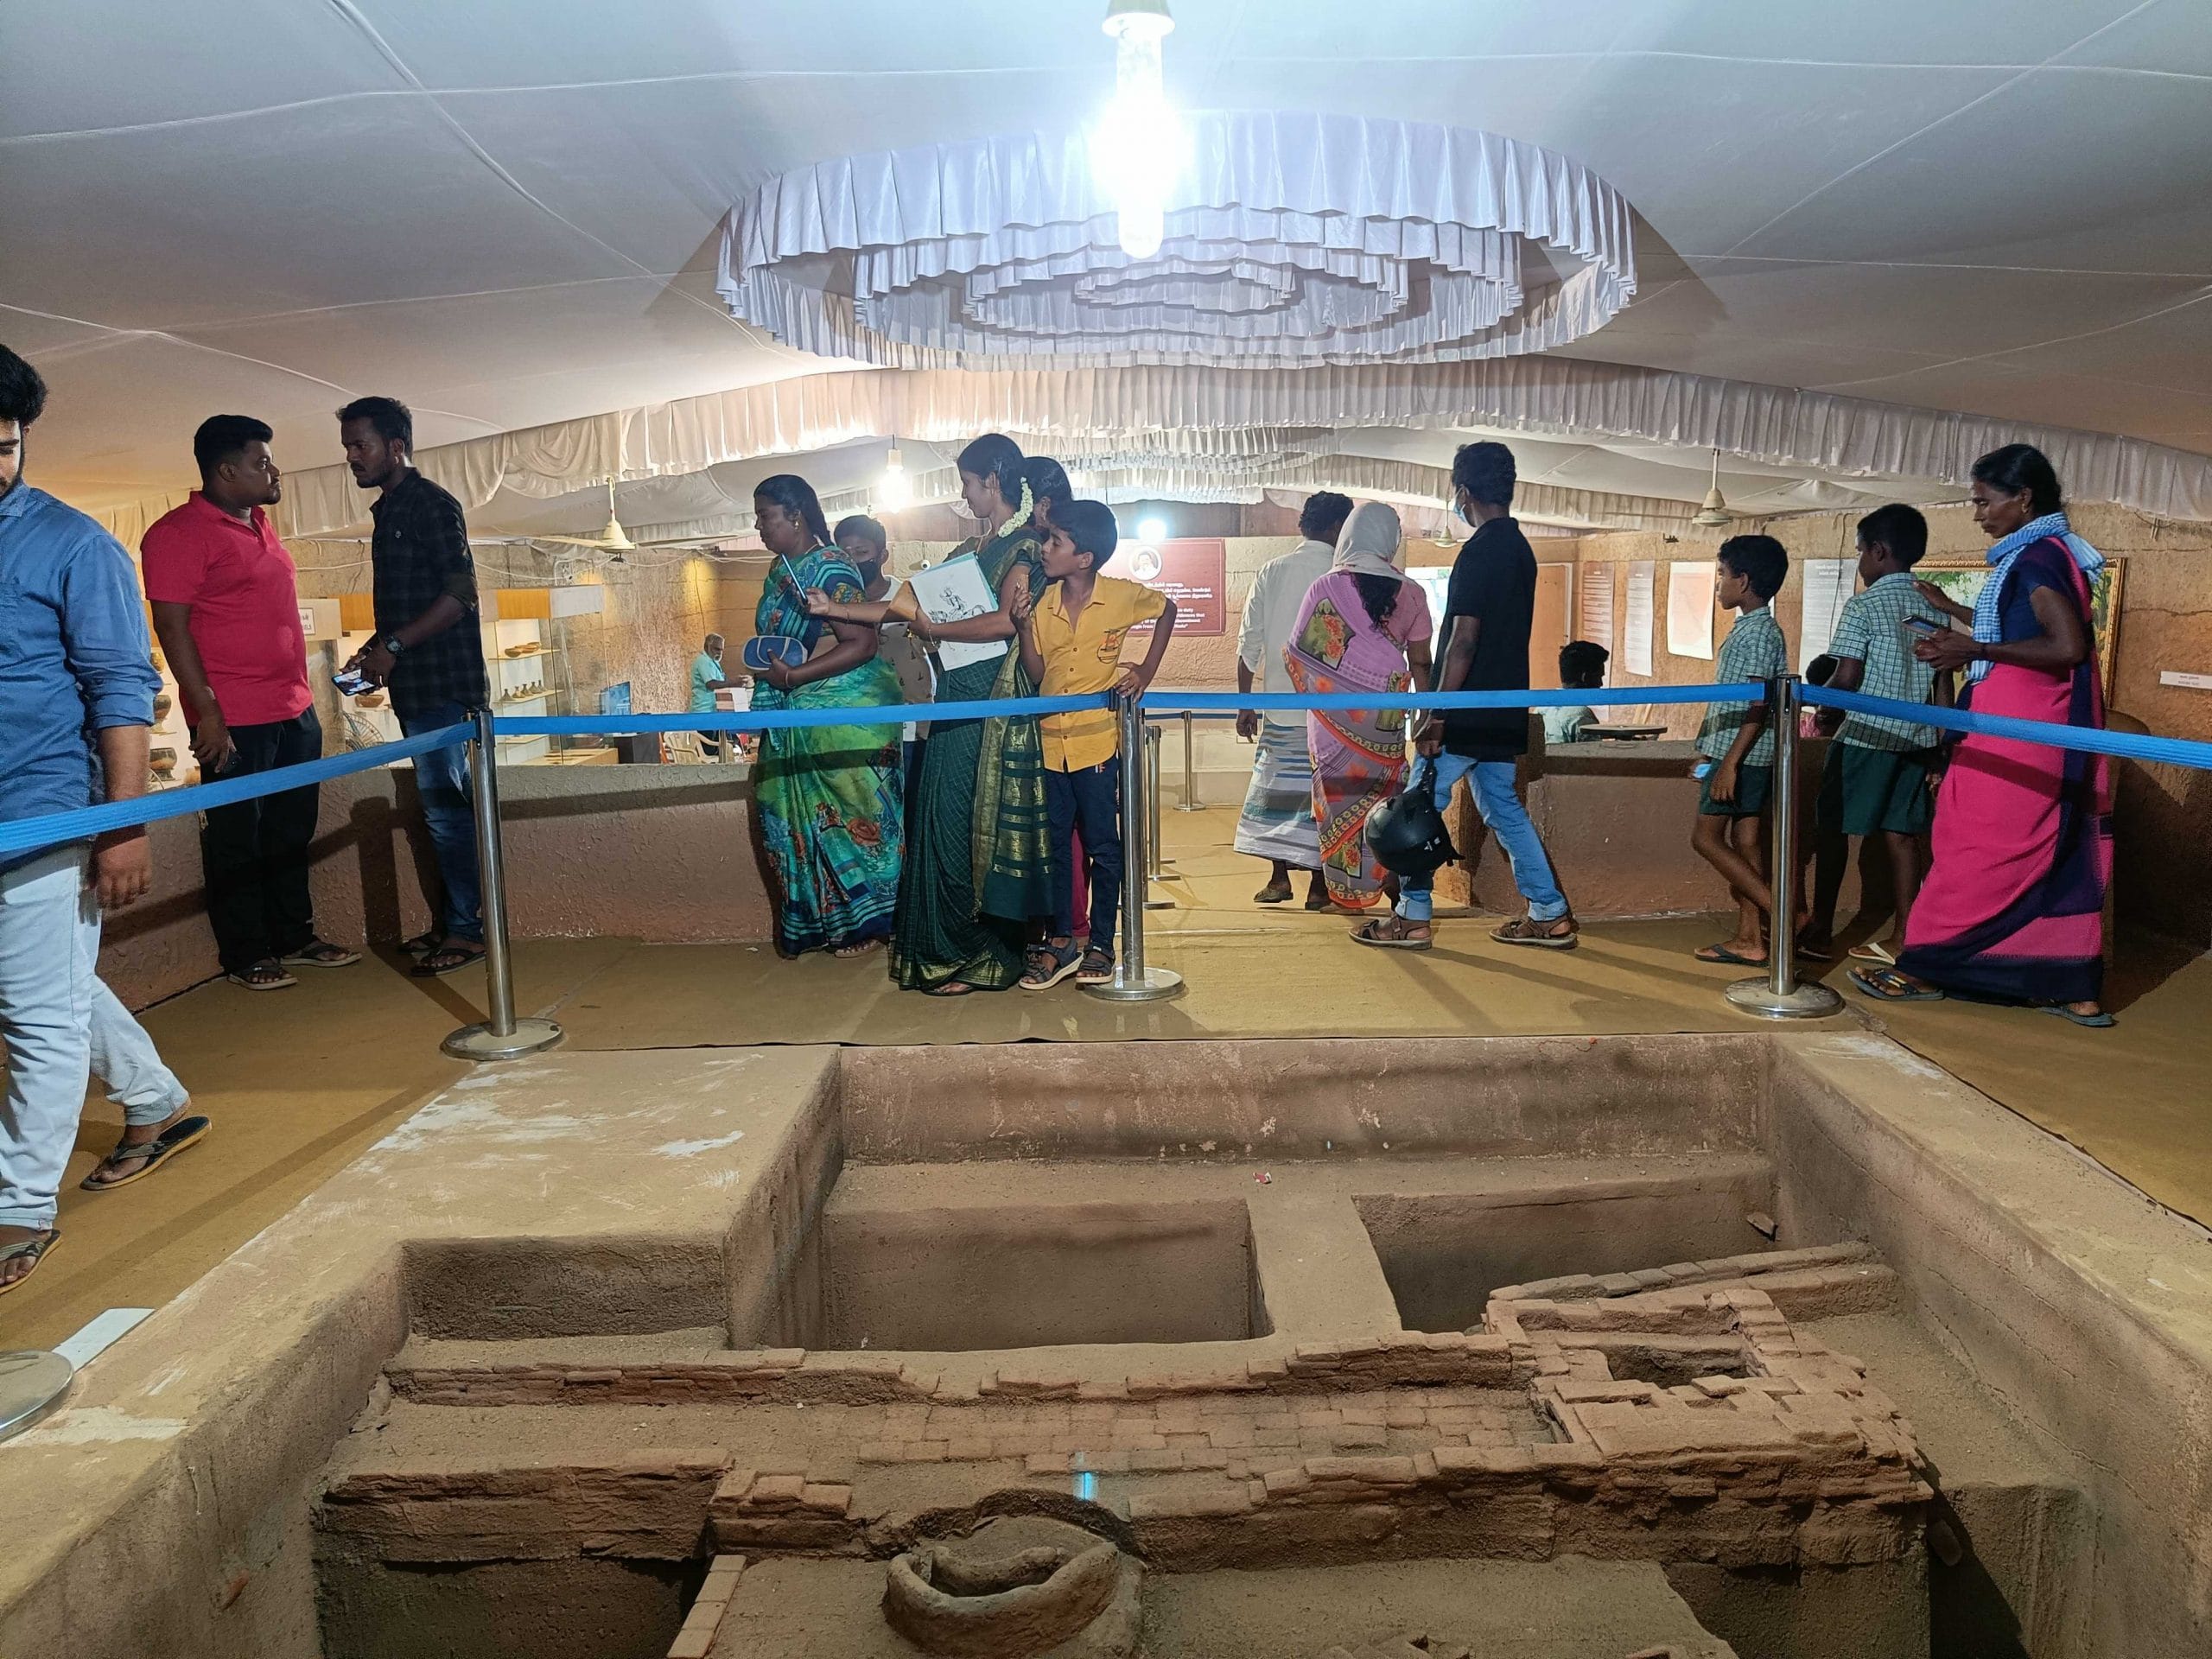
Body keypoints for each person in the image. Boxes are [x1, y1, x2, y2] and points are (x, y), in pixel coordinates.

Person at [0, 343, 207, 1295]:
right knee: (52, 988)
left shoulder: (73, 545)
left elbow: (121, 691)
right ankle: (156, 1100)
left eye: (4, 448)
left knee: (35, 1011)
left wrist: (123, 826)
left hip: (44, 811)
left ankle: (17, 1209)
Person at [1853, 445, 2114, 1027]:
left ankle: (1925, 965)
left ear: (2022, 499)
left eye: (1984, 501)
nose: (1978, 514)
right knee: (2044, 851)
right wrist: (1954, 614)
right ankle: (2074, 987)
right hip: (2028, 728)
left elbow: (2066, 646)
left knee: (1978, 849)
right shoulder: (2041, 553)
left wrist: (1974, 649)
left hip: (2018, 737)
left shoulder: (2038, 560)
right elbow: (2031, 630)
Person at [808, 435, 1053, 995]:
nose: (963, 494)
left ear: (992, 480)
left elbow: (1001, 623)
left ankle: (980, 956)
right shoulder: (972, 547)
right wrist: (836, 608)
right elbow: (905, 603)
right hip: (952, 694)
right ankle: (948, 947)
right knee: (940, 816)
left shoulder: (1025, 549)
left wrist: (937, 630)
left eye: (967, 482)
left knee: (970, 822)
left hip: (991, 697)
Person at [142, 416, 359, 990]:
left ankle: (294, 935)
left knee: (292, 828)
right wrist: (207, 709)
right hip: (232, 717)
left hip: (293, 708)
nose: (273, 469)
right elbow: (172, 626)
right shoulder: (177, 533)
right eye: (261, 462)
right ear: (225, 470)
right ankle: (246, 953)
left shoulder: (260, 523)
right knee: (238, 836)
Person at [1388, 442, 1576, 949]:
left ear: (1464, 492)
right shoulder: (1520, 548)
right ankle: (1549, 911)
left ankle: (1412, 915)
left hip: (1466, 710)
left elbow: (1464, 640)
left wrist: (1438, 714)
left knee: (1417, 805)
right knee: (1504, 811)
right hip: (1504, 708)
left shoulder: (1478, 552)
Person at [336, 397, 492, 978]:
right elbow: (414, 601)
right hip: (417, 688)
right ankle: (456, 921)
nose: (352, 458)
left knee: (448, 813)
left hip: (444, 688)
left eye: (361, 446)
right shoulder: (390, 510)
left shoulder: (429, 504)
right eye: (348, 448)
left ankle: (468, 930)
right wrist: (375, 648)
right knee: (439, 811)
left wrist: (394, 648)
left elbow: (460, 593)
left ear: (395, 447)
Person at [1014, 499, 1177, 988]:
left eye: (1055, 542)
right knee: (1059, 845)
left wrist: (1145, 671)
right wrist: (1023, 628)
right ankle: (1064, 940)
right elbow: (1038, 672)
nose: (1045, 549)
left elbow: (1167, 608)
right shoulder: (1043, 603)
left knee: (1105, 848)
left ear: (1083, 557)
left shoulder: (1121, 597)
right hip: (1051, 743)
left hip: (1099, 746)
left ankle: (1102, 944)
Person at [747, 476, 905, 958]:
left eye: (766, 516)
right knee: (782, 813)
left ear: (795, 516)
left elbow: (862, 643)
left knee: (855, 817)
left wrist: (793, 678)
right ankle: (823, 923)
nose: (759, 527)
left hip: (841, 714)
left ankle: (871, 924)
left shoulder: (831, 569)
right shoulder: (781, 569)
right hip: (790, 712)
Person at [1800, 505, 1944, 967]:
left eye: (1861, 552)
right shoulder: (1932, 605)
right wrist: (1940, 745)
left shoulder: (1864, 604)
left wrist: (1813, 702)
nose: (1860, 563)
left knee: (1832, 832)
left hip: (1866, 737)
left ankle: (1821, 931)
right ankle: (1907, 935)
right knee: (1901, 837)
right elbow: (1945, 682)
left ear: (1878, 552)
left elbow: (1846, 677)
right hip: (1918, 740)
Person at [1280, 501, 1433, 919]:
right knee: (1386, 801)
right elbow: (1421, 661)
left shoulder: (1325, 589)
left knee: (1336, 803)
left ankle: (1347, 892)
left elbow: (1299, 655)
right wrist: (1429, 713)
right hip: (1386, 720)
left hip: (1332, 723)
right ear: (1391, 541)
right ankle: (1393, 888)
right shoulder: (1412, 592)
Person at [1234, 491, 1351, 909]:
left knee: (1275, 795)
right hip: (1333, 714)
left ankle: (1279, 877)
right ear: (1339, 528)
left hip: (1279, 707)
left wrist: (1245, 704)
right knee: (1321, 797)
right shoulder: (1344, 576)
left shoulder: (1271, 571)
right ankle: (1320, 886)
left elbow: (1248, 642)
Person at [1690, 535, 1792, 967]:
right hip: (1739, 753)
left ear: (1743, 580)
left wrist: (1728, 763)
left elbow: (1757, 704)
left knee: (1705, 838)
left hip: (1742, 757)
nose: (1719, 585)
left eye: (1722, 575)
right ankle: (1750, 938)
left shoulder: (1758, 635)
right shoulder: (1753, 629)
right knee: (1746, 842)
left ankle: (1784, 913)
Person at [836, 513, 932, 780]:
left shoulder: (908, 596)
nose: (854, 558)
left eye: (862, 551)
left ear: (882, 556)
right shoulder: (835, 606)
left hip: (910, 724)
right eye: (846, 552)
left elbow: (935, 650)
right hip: (858, 724)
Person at [689, 633, 746, 760]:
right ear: (707, 647)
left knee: (728, 745)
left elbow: (722, 683)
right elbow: (711, 684)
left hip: (715, 712)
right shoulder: (703, 661)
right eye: (717, 649)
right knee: (708, 752)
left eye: (721, 650)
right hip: (703, 713)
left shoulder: (714, 662)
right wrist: (734, 682)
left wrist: (738, 683)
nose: (720, 653)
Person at [1544, 641, 1611, 746]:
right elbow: (1594, 757)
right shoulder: (1581, 715)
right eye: (1598, 677)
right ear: (1585, 677)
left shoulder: (1543, 708)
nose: (1600, 684)